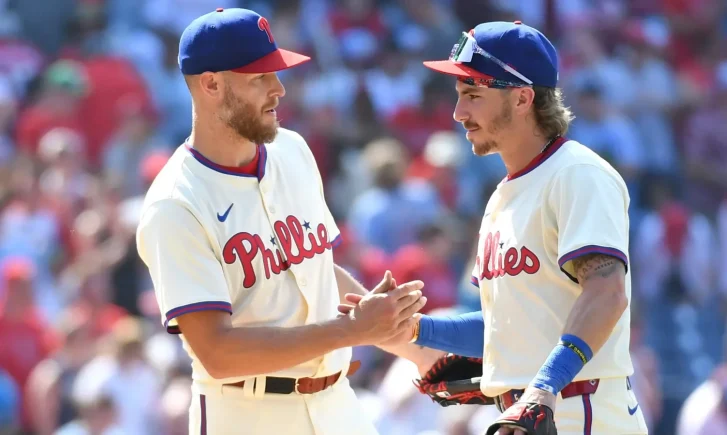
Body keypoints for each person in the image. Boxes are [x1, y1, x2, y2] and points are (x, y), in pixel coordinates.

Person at [135, 8, 441, 435]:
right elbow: (217, 352)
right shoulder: (176, 204)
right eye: (259, 77)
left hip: (337, 404)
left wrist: (421, 354)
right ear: (211, 85)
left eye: (276, 73)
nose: (278, 89)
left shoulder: (292, 150)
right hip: (246, 412)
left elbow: (319, 273)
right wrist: (351, 330)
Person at [341, 21, 649, 435]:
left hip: (580, 410)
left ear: (522, 98)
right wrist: (414, 328)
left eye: (473, 95)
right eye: (458, 95)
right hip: (525, 412)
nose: (458, 113)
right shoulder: (502, 195)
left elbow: (607, 293)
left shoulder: (577, 174)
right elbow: (502, 325)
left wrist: (544, 386)